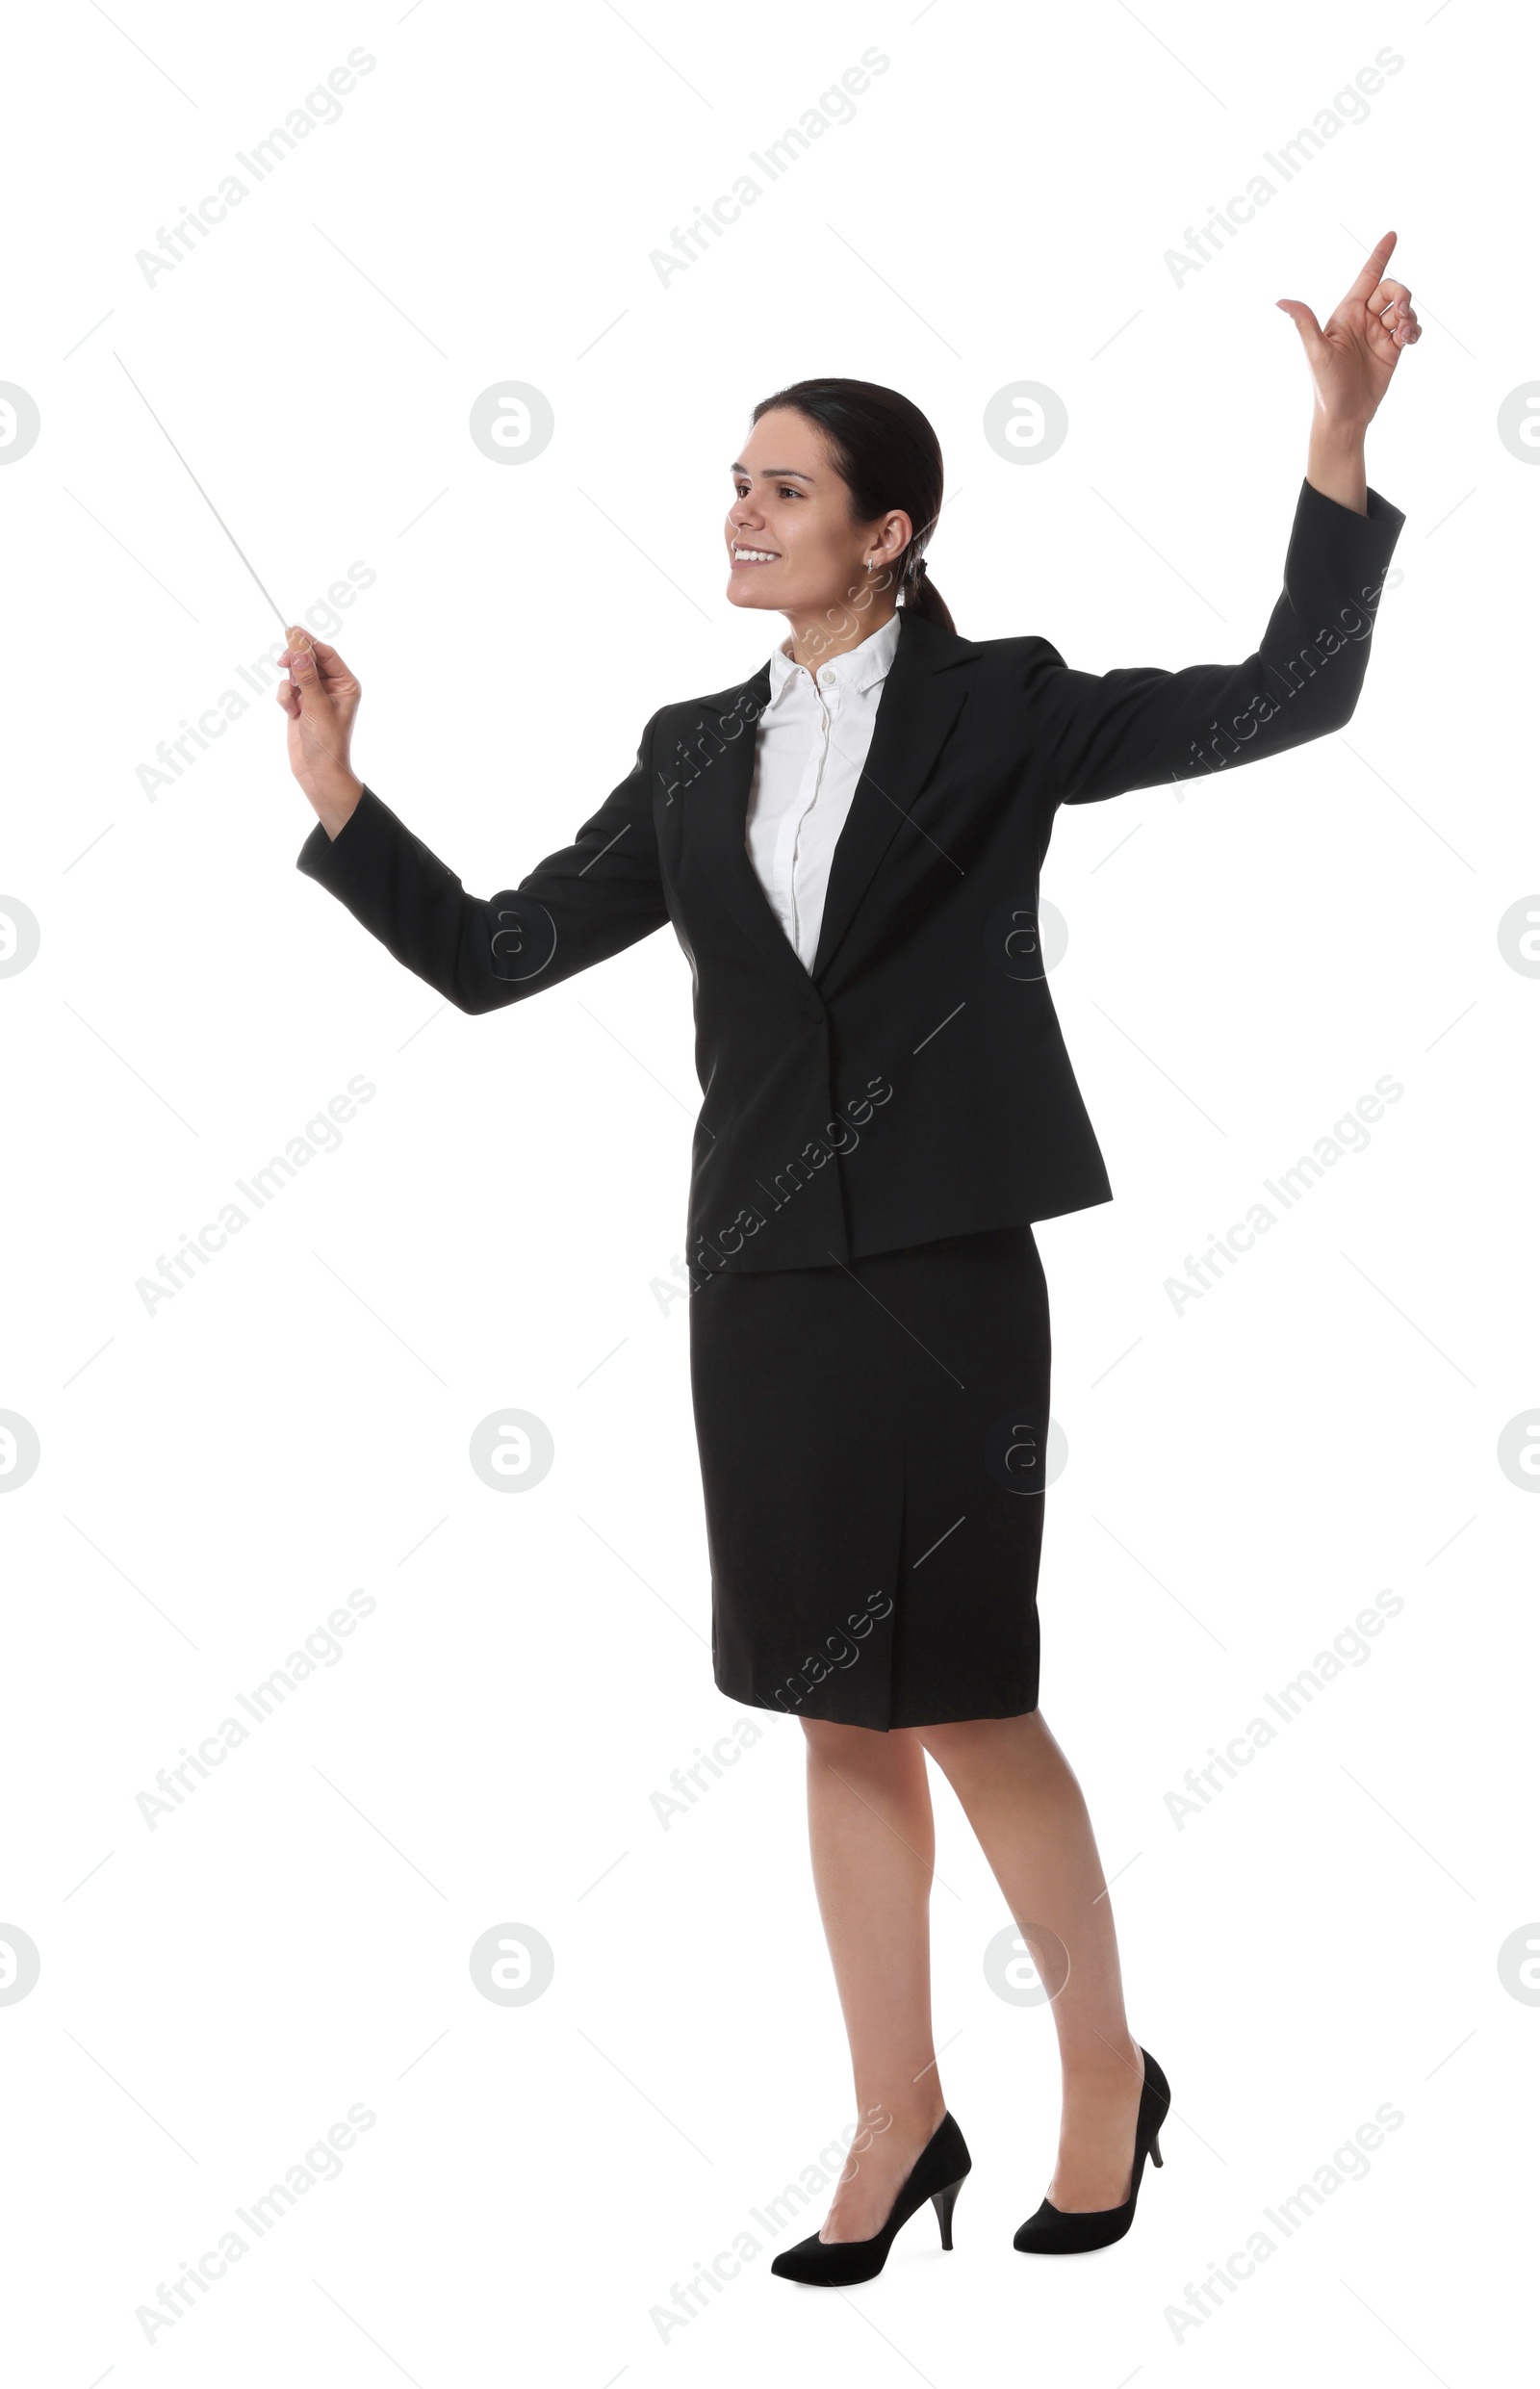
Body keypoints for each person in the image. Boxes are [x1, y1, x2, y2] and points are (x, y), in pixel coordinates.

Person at [278, 234, 1420, 2286]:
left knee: (973, 1695)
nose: (740, 508)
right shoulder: (689, 748)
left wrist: (1332, 445)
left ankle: (1101, 2073)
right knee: (827, 1714)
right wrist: (345, 796)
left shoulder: (1003, 707)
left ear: (888, 532)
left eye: (784, 485)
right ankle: (897, 2111)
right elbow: (494, 956)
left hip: (950, 1266)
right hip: (764, 1285)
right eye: (733, 477)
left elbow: (1287, 694)